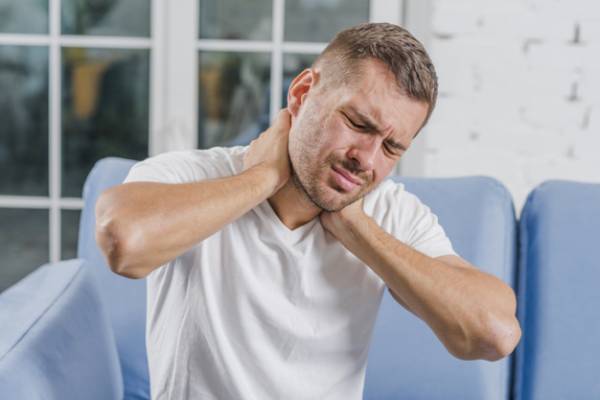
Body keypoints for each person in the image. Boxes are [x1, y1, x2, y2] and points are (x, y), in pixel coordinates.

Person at [96, 22, 521, 400]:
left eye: (392, 147)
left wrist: (355, 227)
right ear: (302, 93)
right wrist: (263, 178)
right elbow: (124, 242)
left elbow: (495, 334)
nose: (367, 159)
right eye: (358, 124)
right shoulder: (193, 175)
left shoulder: (389, 211)